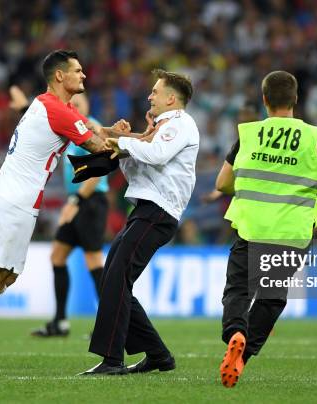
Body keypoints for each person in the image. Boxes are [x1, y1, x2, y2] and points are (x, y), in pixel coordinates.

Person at [0, 49, 109, 373]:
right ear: (60, 75)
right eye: (78, 70)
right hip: (17, 201)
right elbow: (96, 147)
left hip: (0, 192)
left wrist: (113, 132)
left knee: (8, 275)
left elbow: (89, 129)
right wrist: (131, 145)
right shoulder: (60, 111)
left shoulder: (45, 104)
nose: (84, 75)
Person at [215, 71, 317, 388]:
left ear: (264, 99)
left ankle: (235, 333)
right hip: (293, 232)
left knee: (238, 290)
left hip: (252, 227)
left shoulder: (250, 134)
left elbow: (222, 182)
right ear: (296, 100)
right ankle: (243, 355)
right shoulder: (315, 136)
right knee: (271, 298)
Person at [78, 69, 199, 376]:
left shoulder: (180, 123)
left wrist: (125, 142)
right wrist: (121, 140)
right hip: (146, 210)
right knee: (112, 279)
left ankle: (112, 359)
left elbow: (156, 155)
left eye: (156, 91)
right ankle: (158, 355)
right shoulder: (159, 128)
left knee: (117, 278)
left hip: (158, 212)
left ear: (171, 98)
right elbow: (140, 166)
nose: (150, 96)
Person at [9, 86, 110, 337]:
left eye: (79, 103)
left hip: (90, 202)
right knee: (57, 256)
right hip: (76, 201)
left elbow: (99, 170)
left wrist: (75, 201)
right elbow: (47, 123)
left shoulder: (92, 127)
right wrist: (24, 108)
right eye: (71, 104)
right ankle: (60, 322)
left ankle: (108, 325)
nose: (75, 106)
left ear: (86, 106)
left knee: (94, 260)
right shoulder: (71, 125)